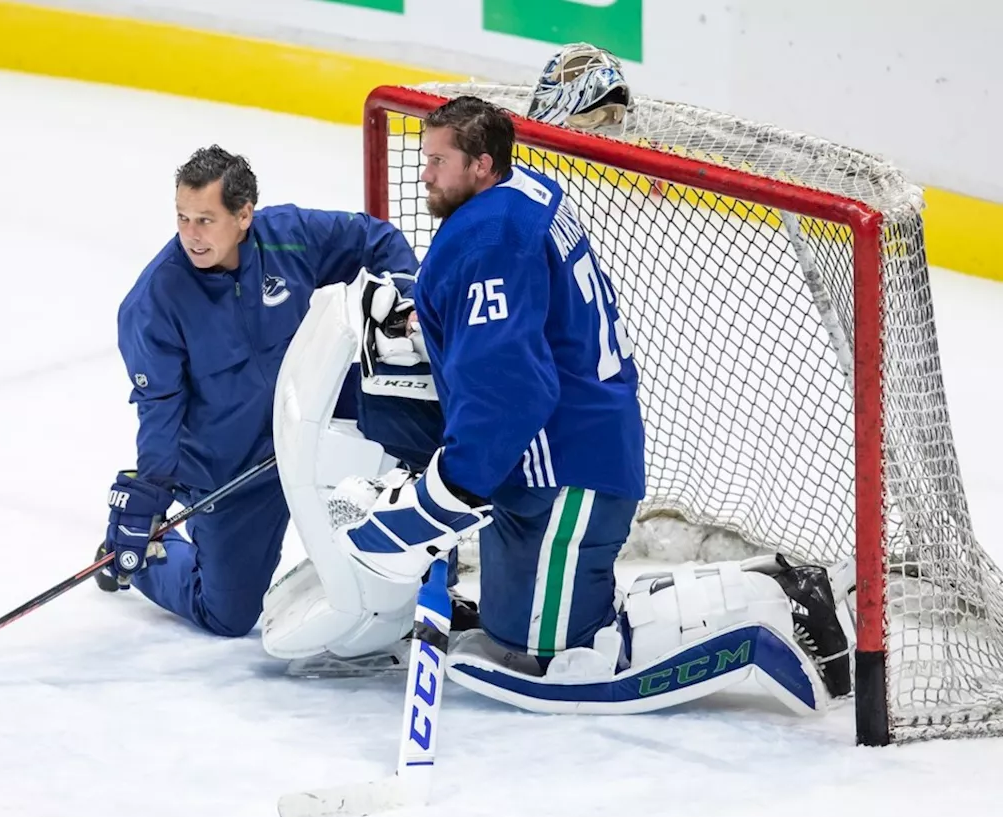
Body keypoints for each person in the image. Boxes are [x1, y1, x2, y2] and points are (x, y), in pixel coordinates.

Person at [267, 89, 853, 713]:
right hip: (567, 452)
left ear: (482, 165)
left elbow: (510, 391)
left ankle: (781, 601)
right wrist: (426, 321)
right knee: (506, 624)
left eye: (438, 161)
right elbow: (521, 320)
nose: (425, 173)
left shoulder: (487, 239)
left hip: (565, 472)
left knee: (557, 658)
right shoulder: (522, 196)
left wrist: (440, 502)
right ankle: (754, 589)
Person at [100, 145, 418, 639]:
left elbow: (374, 239)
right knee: (227, 615)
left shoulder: (289, 237)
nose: (191, 234)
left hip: (323, 428)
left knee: (419, 441)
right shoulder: (154, 302)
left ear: (244, 215)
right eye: (183, 218)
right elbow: (160, 414)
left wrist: (405, 301)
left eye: (205, 219)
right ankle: (151, 561)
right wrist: (147, 499)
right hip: (236, 468)